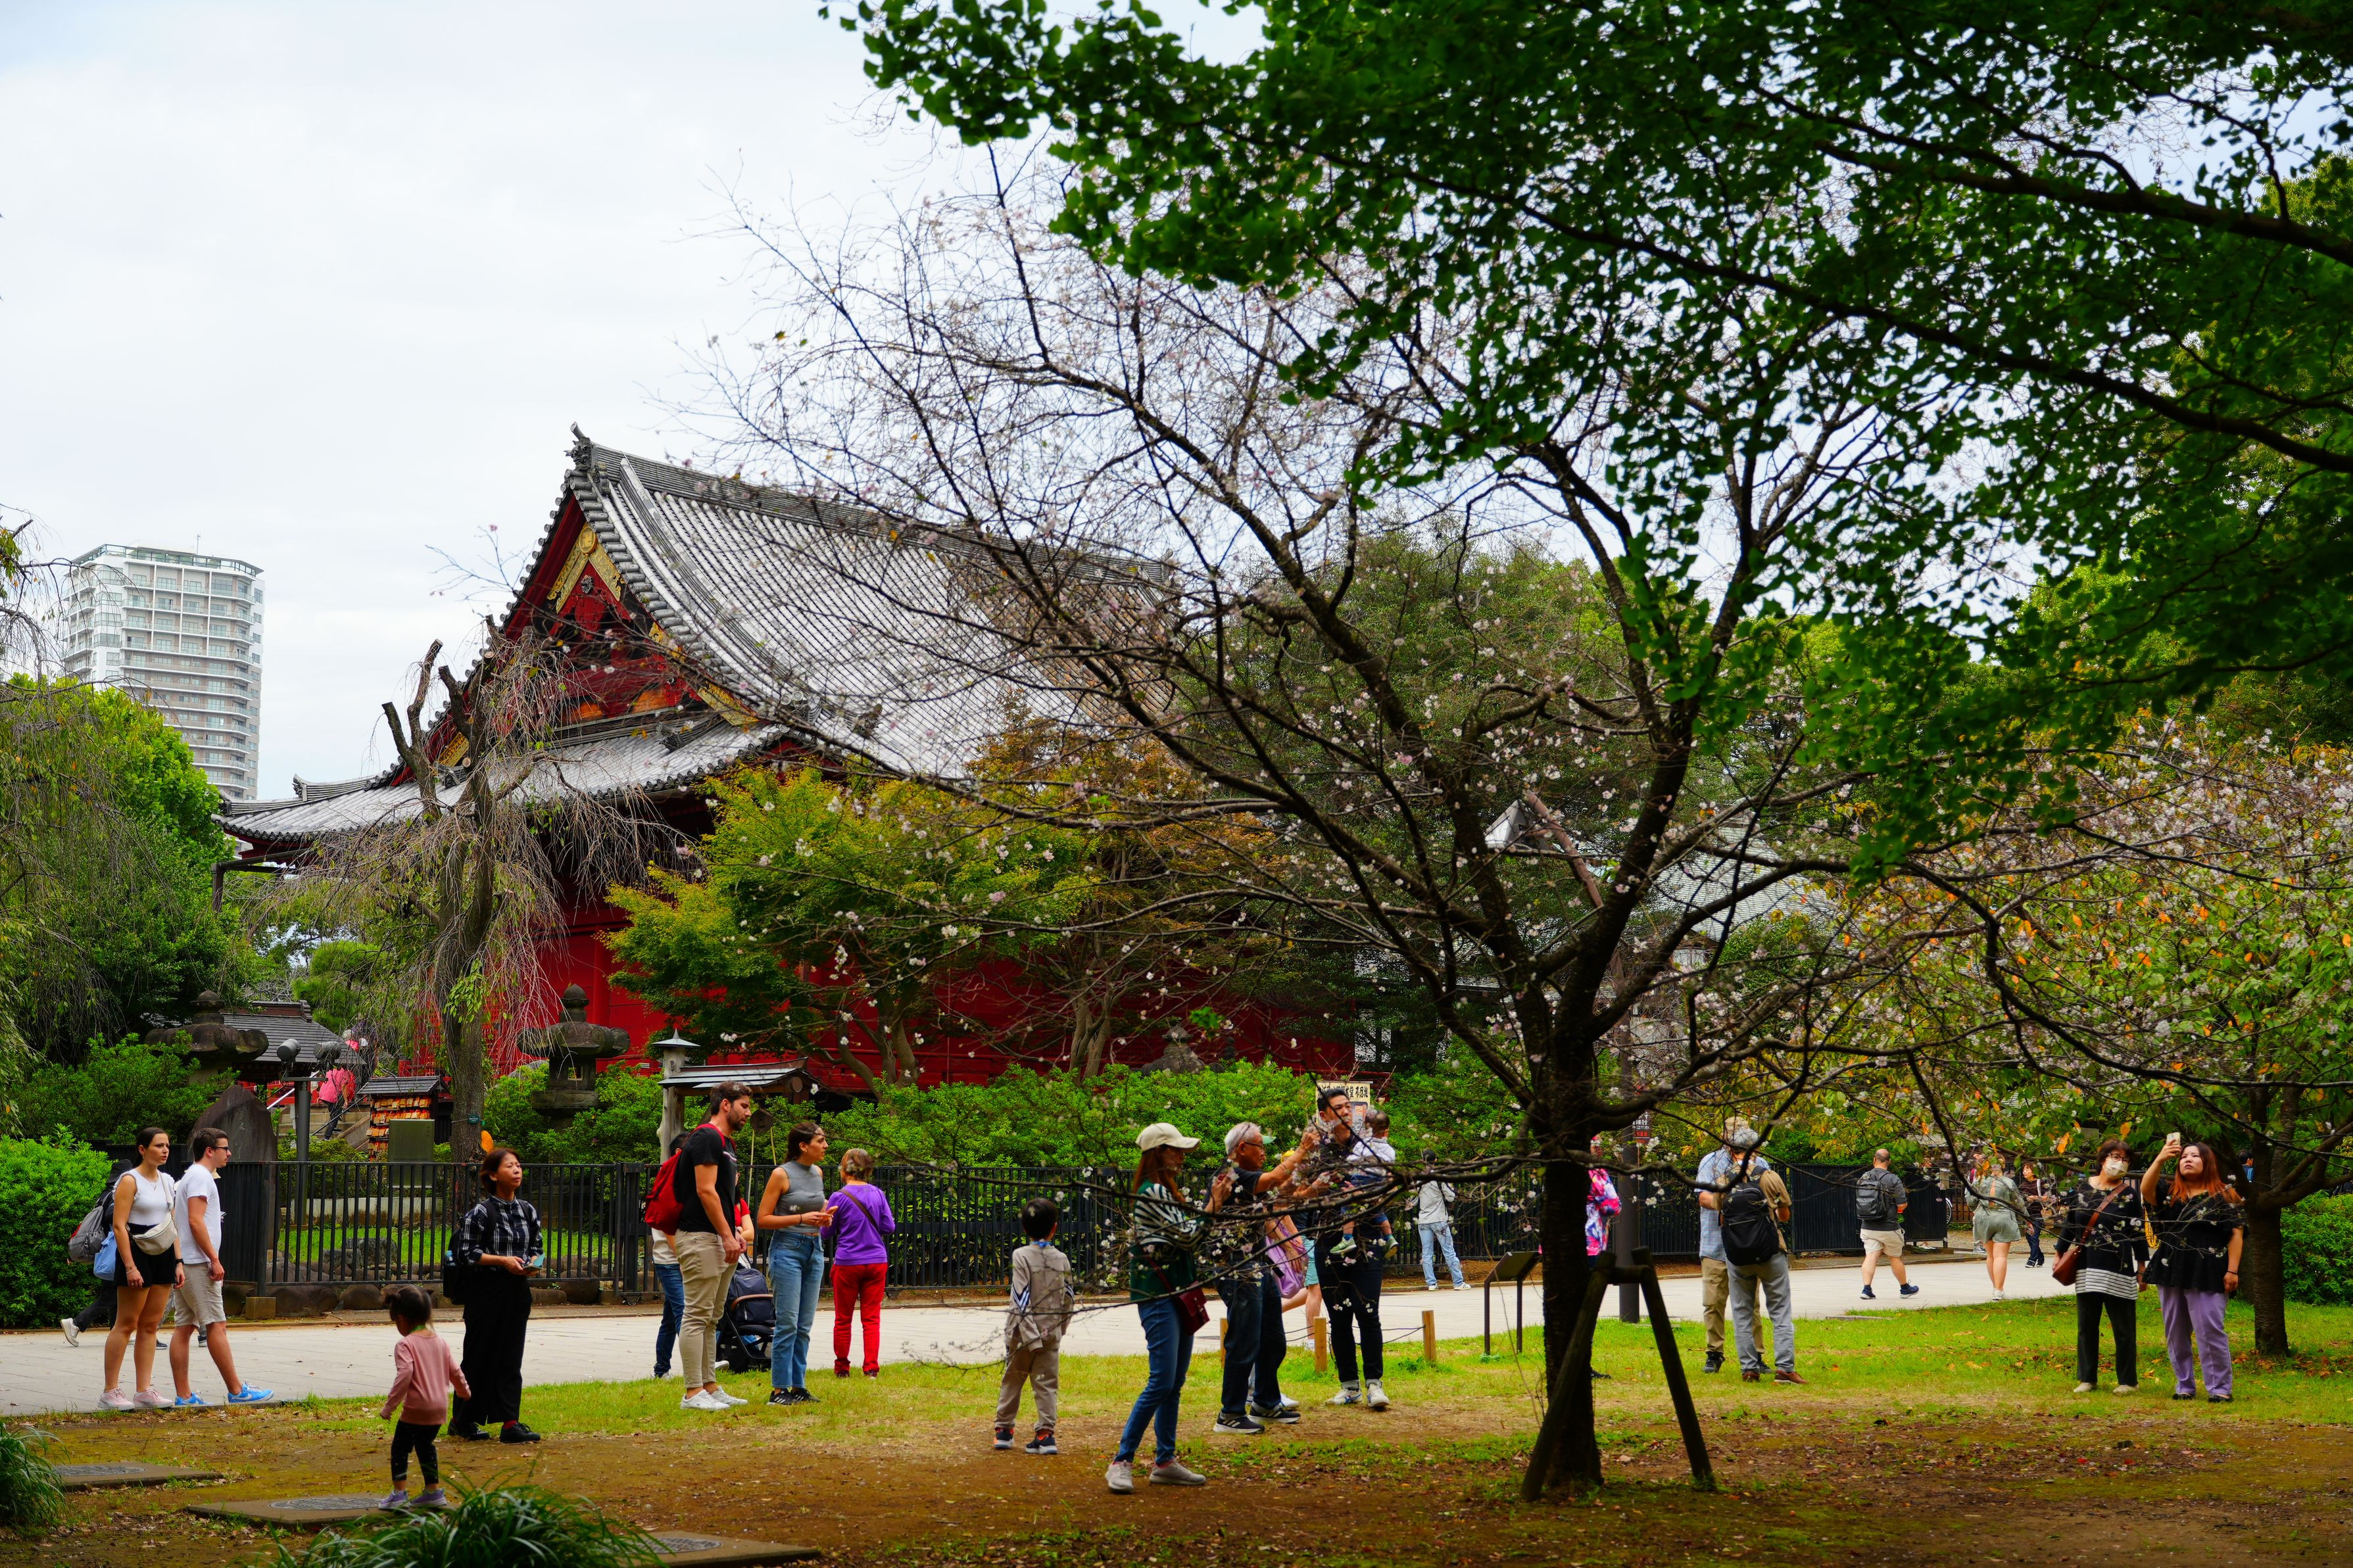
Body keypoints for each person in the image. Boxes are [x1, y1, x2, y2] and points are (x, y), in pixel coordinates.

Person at [1107, 1122, 1231, 1494]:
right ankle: (1122, 1461)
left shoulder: (1160, 1191)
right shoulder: (1155, 1192)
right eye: (1176, 1150)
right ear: (1158, 1154)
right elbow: (1190, 1237)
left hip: (1173, 1294)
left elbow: (1185, 1236)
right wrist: (1214, 1203)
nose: (1182, 1156)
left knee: (1173, 1383)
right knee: (1162, 1381)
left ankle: (1165, 1461)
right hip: (1161, 1296)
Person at [1210, 1120, 1320, 1434]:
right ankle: (1230, 1413)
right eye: (1260, 1147)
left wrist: (1313, 1185)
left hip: (1259, 1265)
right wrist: (1302, 1149)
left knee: (1273, 1339)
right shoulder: (1231, 1174)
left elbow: (1278, 1197)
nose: (1264, 1153)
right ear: (1242, 1148)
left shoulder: (1248, 1181)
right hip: (1238, 1269)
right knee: (1244, 1340)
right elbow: (1274, 1178)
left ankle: (1266, 1402)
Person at [447, 1147, 544, 1443]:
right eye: (509, 1166)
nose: (517, 1170)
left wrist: (532, 1264)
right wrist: (503, 1261)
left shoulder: (527, 1210)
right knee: (478, 1357)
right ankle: (462, 1421)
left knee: (511, 1358)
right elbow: (466, 1253)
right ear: (492, 1175)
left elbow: (537, 1247)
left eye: (519, 1165)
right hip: (486, 1292)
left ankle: (510, 1423)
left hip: (517, 1291)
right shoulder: (481, 1213)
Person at [168, 1128, 269, 1406]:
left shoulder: (190, 1176)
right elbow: (196, 1221)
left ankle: (184, 1395)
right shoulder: (201, 1177)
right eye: (225, 1148)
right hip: (198, 1263)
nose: (229, 1153)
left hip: (187, 1261)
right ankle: (237, 1391)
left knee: (184, 1327)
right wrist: (214, 1258)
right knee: (217, 1325)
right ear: (209, 1151)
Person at [2141, 1134, 2244, 1402]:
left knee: (2210, 1328)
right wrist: (2161, 1158)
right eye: (2184, 1156)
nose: (2188, 1160)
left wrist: (2233, 1270)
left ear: (2207, 1163)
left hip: (2209, 1268)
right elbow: (2145, 1189)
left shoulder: (2225, 1195)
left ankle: (2220, 1388)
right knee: (2175, 1330)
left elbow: (2236, 1234)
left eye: (2195, 1156)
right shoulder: (2169, 1193)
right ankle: (2184, 1385)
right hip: (2171, 1266)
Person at [1701, 1127, 1803, 1385]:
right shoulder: (1769, 1176)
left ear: (1730, 1148)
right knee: (1779, 1310)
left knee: (1742, 1312)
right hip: (1770, 1253)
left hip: (1737, 1256)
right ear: (1754, 1148)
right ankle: (1785, 1369)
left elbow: (1722, 1218)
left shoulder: (1723, 1181)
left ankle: (1749, 1369)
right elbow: (1784, 1215)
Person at [675, 1085, 756, 1412]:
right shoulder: (707, 1137)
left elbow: (724, 1197)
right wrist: (727, 1235)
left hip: (721, 1238)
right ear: (725, 1105)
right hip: (701, 1238)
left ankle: (709, 1386)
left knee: (712, 1317)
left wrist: (733, 1233)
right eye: (744, 1106)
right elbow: (705, 1191)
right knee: (697, 1315)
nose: (749, 1112)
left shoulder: (727, 1144)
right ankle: (692, 1392)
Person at [756, 1120, 838, 1406]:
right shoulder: (781, 1174)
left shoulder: (818, 1172)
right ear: (804, 1146)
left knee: (804, 1325)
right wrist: (802, 1218)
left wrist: (823, 1217)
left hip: (814, 1250)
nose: (826, 1145)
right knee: (788, 1324)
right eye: (820, 1141)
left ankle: (799, 1387)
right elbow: (763, 1219)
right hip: (787, 1250)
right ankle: (779, 1390)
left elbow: (814, 1208)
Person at [99, 1127, 182, 1410]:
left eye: (167, 1145)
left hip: (164, 1251)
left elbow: (173, 1224)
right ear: (143, 1149)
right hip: (136, 1251)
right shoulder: (130, 1180)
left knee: (150, 1325)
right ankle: (110, 1390)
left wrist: (178, 1262)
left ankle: (144, 1390)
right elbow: (119, 1225)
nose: (165, 1150)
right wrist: (130, 1266)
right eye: (159, 1145)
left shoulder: (168, 1181)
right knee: (126, 1324)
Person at [2058, 1137, 2148, 1395]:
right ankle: (2087, 1378)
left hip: (2119, 1266)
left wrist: (2142, 1267)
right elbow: (2071, 1223)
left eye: (2125, 1159)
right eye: (2115, 1157)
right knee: (2087, 1325)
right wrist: (2060, 1252)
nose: (2120, 1163)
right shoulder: (2082, 1187)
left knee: (2124, 1328)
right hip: (2087, 1265)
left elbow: (2138, 1231)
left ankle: (2128, 1381)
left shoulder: (2129, 1194)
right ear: (2103, 1159)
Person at [996, 1196, 1074, 1454]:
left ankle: (1004, 1430)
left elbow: (1021, 1298)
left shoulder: (1021, 1256)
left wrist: (1030, 1336)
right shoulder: (1062, 1259)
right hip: (1050, 1332)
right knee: (1047, 1384)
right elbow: (1069, 1298)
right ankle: (1045, 1434)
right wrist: (1059, 1329)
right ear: (1055, 1228)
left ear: (1024, 1228)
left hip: (1021, 1335)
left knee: (1013, 1379)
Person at [379, 1284, 468, 1510]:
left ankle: (399, 1494)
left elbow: (405, 1375)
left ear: (401, 1319)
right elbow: (455, 1371)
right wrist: (464, 1391)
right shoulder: (441, 1342)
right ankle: (433, 1492)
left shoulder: (405, 1344)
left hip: (416, 1409)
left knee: (400, 1448)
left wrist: (389, 1407)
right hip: (439, 1408)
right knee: (426, 1446)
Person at [1693, 1116, 1766, 1373]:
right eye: (1734, 1134)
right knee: (1713, 1302)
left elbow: (1770, 1197)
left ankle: (1756, 1356)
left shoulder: (1761, 1164)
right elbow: (1702, 1197)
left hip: (1749, 1245)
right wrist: (1734, 1204)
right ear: (1724, 1136)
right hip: (1716, 1244)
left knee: (1750, 1303)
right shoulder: (1711, 1162)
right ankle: (1714, 1353)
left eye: (1743, 1134)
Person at [827, 1146, 894, 1379]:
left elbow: (827, 1232)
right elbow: (889, 1227)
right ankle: (871, 1368)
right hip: (876, 1260)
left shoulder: (838, 1197)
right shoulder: (878, 1194)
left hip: (848, 1262)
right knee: (872, 1318)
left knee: (843, 1319)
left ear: (846, 1169)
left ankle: (842, 1368)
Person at [1855, 1149, 1920, 1301]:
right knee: (1895, 1257)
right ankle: (1905, 1289)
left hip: (1868, 1225)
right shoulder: (1893, 1179)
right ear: (1889, 1161)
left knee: (1871, 1256)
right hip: (1888, 1226)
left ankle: (1867, 1289)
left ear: (1874, 1160)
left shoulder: (1864, 1177)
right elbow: (1902, 1204)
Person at [650, 1134, 685, 1378]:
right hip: (671, 1261)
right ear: (679, 1154)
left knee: (671, 1318)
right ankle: (702, 1364)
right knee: (684, 1312)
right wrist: (684, 1258)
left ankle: (661, 1369)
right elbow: (669, 1229)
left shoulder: (684, 1180)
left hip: (679, 1259)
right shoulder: (670, 1183)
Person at [1970, 1152, 2024, 1301]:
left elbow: (1971, 1201)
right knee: (2000, 1256)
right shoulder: (2008, 1182)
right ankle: (1999, 1291)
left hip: (1984, 1218)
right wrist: (2028, 1220)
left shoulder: (1980, 1181)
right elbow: (2019, 1203)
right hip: (2003, 1217)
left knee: (1991, 1256)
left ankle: (1995, 1288)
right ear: (2003, 1165)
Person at [1416, 1175, 1464, 1290]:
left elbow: (1413, 1201)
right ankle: (1458, 1283)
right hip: (1439, 1220)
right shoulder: (1440, 1177)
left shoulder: (1418, 1179)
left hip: (1424, 1220)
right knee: (1449, 1251)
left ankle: (1431, 1284)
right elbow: (1451, 1197)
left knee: (1427, 1253)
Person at [2020, 1163, 2049, 1268]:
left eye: (2027, 1169)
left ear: (2033, 1172)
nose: (2024, 1172)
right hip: (2027, 1215)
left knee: (2034, 1237)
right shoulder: (2023, 1185)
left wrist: (2034, 1197)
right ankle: (2040, 1257)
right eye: (2024, 1170)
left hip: (2038, 1214)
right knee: (2029, 1238)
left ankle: (2032, 1260)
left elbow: (2047, 1198)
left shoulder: (2040, 1183)